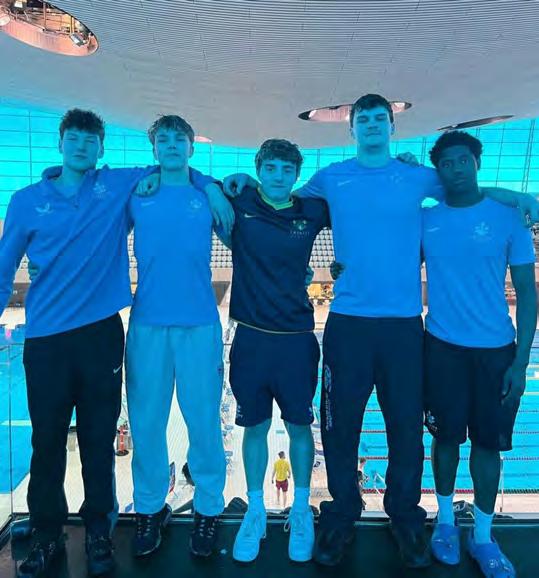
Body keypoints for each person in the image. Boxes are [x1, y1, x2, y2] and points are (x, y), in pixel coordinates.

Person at [222, 94, 539, 569]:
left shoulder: (417, 176)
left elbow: (464, 186)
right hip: (348, 323)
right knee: (340, 427)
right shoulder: (331, 178)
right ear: (351, 129)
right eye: (363, 119)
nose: (371, 124)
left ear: (392, 126)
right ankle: (341, 514)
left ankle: (405, 516)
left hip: (403, 327)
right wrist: (241, 182)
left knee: (405, 429)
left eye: (379, 118)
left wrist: (518, 197)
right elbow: (281, 199)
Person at [0, 109, 214, 578]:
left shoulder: (114, 185)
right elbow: (3, 267)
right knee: (46, 442)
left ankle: (99, 533)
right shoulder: (26, 201)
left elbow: (175, 165)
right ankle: (47, 536)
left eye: (90, 140)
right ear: (60, 143)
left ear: (100, 148)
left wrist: (213, 186)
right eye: (74, 138)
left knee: (98, 441)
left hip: (100, 334)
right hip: (46, 338)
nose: (81, 146)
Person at [423, 131, 536, 578]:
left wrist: (521, 362)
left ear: (477, 163)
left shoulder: (509, 219)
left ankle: (484, 536)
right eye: (446, 163)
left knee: (489, 447)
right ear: (439, 170)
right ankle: (445, 523)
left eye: (463, 160)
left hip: (496, 352)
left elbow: (527, 293)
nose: (455, 169)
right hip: (442, 349)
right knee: (445, 439)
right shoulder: (427, 220)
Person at [216, 139, 329, 563]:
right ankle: (256, 511)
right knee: (254, 427)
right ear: (259, 169)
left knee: (300, 427)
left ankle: (300, 510)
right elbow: (197, 182)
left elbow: (361, 209)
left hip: (297, 339)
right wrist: (229, 182)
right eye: (271, 168)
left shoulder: (312, 210)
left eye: (287, 169)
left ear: (296, 174)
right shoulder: (241, 199)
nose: (279, 176)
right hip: (251, 339)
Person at [126, 115, 228, 559]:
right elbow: (87, 194)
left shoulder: (208, 195)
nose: (170, 145)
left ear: (191, 147)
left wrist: (211, 184)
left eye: (178, 139)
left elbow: (245, 235)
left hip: (199, 325)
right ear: (154, 149)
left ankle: (208, 509)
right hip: (147, 324)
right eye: (162, 139)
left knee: (203, 421)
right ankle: (150, 508)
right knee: (146, 423)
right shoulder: (137, 192)